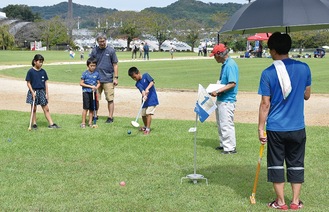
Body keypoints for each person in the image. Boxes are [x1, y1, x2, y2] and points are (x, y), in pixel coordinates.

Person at [258, 32, 311, 210]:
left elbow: (265, 104)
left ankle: (280, 202)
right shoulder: (304, 68)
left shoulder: (268, 73)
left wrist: (260, 128)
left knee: (276, 163)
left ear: (273, 51)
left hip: (276, 126)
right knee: (296, 162)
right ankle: (295, 201)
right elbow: (307, 95)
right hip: (297, 126)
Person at [209, 43, 239, 154]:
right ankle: (224, 144)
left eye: (214, 55)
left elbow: (232, 83)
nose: (214, 58)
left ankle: (230, 148)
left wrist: (217, 91)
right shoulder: (226, 64)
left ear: (219, 54)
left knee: (226, 123)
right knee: (221, 123)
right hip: (222, 98)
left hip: (227, 99)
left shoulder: (230, 65)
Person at [25, 54, 60, 129]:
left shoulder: (43, 72)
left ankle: (51, 124)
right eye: (39, 61)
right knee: (34, 109)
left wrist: (47, 93)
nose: (41, 63)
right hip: (34, 91)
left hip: (42, 91)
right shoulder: (30, 71)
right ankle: (34, 124)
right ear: (35, 61)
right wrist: (32, 92)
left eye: (42, 62)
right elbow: (28, 83)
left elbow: (45, 83)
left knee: (46, 108)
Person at [90, 33, 119, 123]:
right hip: (96, 79)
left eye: (103, 41)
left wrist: (116, 77)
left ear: (105, 41)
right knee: (96, 99)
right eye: (100, 41)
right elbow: (90, 63)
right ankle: (95, 115)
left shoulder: (111, 51)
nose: (102, 43)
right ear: (97, 41)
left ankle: (110, 117)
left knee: (110, 99)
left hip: (108, 79)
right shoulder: (94, 51)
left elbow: (115, 64)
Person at [128, 66, 159, 135]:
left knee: (148, 113)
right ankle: (145, 126)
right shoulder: (137, 84)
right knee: (143, 114)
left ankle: (148, 129)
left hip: (152, 99)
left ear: (138, 72)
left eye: (135, 77)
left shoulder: (146, 75)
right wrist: (144, 94)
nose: (134, 79)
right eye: (133, 78)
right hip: (145, 100)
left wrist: (147, 89)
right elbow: (141, 90)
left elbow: (152, 82)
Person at [79, 57, 100, 128]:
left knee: (92, 108)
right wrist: (90, 86)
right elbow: (81, 83)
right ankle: (83, 123)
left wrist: (96, 87)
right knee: (86, 108)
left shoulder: (97, 73)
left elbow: (98, 83)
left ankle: (90, 122)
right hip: (86, 92)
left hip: (93, 93)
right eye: (91, 66)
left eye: (94, 65)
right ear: (88, 66)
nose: (93, 67)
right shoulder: (85, 73)